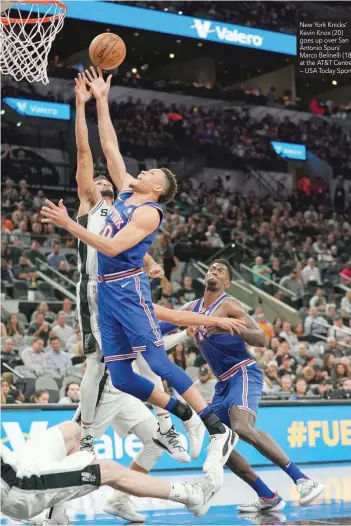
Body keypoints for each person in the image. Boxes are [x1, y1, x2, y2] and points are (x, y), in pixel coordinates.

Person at [41, 67, 237, 472]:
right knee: (125, 377)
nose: (141, 171)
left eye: (150, 174)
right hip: (105, 292)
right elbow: (109, 146)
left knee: (158, 362)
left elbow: (112, 245)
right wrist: (100, 99)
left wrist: (70, 225)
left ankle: (214, 427)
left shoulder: (149, 212)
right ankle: (179, 418)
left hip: (127, 289)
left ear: (158, 188)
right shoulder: (128, 192)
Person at [169, 259, 323, 511]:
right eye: (211, 269)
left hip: (243, 372)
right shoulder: (191, 308)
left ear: (227, 283)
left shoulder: (228, 304)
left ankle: (303, 480)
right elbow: (166, 322)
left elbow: (261, 338)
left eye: (220, 271)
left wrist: (233, 328)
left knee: (242, 427)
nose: (214, 271)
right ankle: (267, 496)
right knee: (219, 442)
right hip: (222, 383)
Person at [0, 421, 222, 523]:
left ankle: (54, 518)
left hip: (15, 464)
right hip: (22, 488)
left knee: (71, 432)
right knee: (108, 470)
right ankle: (191, 496)